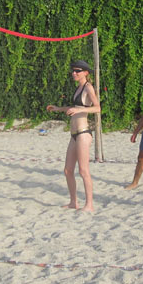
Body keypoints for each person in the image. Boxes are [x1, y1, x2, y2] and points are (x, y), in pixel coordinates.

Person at [46, 59, 100, 213]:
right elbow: (74, 107)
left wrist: (79, 110)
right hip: (74, 134)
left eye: (77, 71)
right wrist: (58, 108)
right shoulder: (79, 87)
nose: (74, 73)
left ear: (85, 73)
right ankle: (73, 202)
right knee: (68, 170)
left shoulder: (88, 87)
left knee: (83, 171)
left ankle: (89, 205)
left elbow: (97, 108)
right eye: (73, 71)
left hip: (83, 133)